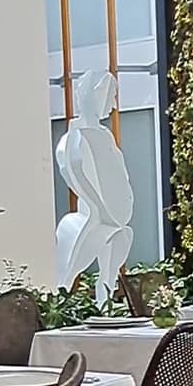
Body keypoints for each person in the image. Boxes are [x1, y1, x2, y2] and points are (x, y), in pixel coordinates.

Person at [55, 69, 134, 305]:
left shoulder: (105, 135)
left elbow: (118, 173)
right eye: (111, 96)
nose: (114, 104)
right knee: (67, 274)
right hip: (94, 218)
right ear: (97, 94)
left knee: (119, 246)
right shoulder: (74, 139)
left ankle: (106, 305)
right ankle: (60, 308)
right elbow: (80, 177)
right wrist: (102, 210)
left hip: (115, 220)